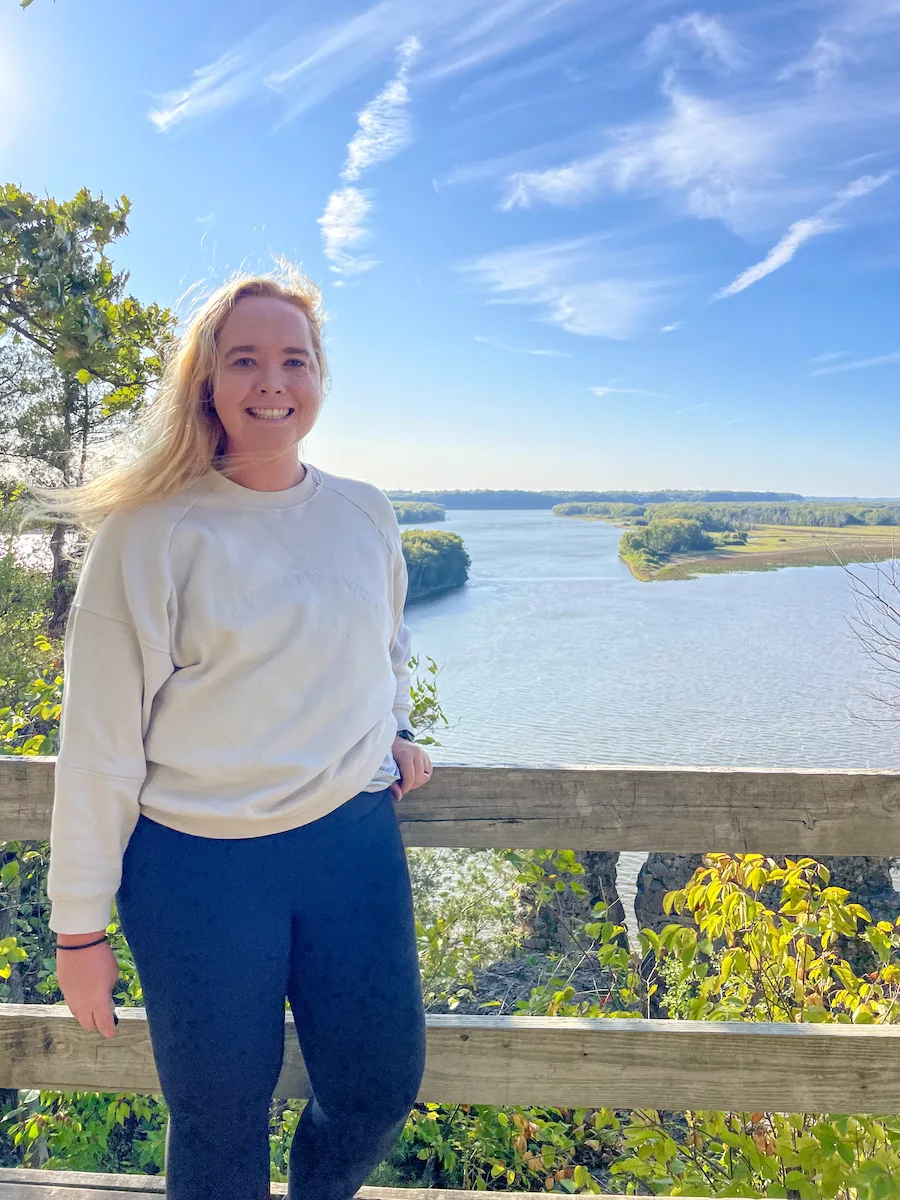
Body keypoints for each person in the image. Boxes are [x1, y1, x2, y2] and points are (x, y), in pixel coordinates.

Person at [32, 269, 433, 1200]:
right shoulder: (149, 531)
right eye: (244, 360)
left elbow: (385, 641)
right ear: (206, 381)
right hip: (199, 868)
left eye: (294, 360)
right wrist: (78, 931)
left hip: (351, 843)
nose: (272, 383)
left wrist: (398, 729)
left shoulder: (364, 512)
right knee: (217, 1119)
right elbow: (97, 745)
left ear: (320, 377)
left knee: (378, 1087)